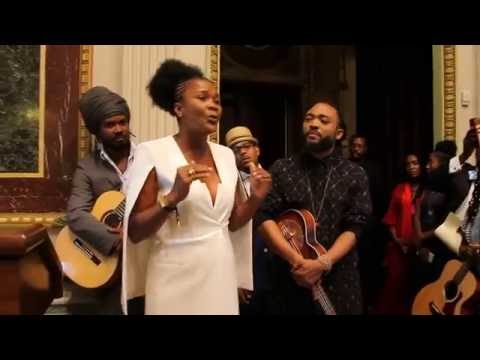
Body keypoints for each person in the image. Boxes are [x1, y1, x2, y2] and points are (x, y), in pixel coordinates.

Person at [122, 59, 272, 315]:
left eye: (217, 100)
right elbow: (135, 231)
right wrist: (172, 198)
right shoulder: (153, 153)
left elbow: (232, 223)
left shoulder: (226, 156)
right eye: (203, 98)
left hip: (220, 273)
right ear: (179, 109)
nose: (214, 105)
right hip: (172, 276)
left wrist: (255, 199)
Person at [256, 100, 372, 315]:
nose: (313, 124)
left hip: (339, 279)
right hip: (290, 277)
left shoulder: (354, 173)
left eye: (323, 120)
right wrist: (297, 261)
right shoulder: (283, 168)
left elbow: (356, 225)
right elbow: (263, 217)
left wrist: (323, 263)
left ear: (338, 134)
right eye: (309, 118)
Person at [66, 86, 136, 314]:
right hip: (109, 267)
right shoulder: (87, 168)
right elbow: (76, 214)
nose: (119, 129)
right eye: (110, 125)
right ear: (96, 129)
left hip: (146, 260)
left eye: (122, 122)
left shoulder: (151, 158)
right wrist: (114, 240)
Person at [225, 126, 274, 315]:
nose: (243, 152)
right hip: (242, 270)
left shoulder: (275, 179)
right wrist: (238, 278)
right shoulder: (226, 186)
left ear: (257, 150)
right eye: (236, 149)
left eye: (247, 146)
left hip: (274, 270)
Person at [375, 153, 423, 314]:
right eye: (408, 164)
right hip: (399, 246)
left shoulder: (429, 189)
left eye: (415, 163)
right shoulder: (399, 188)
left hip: (422, 247)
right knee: (394, 283)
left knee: (416, 286)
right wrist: (397, 240)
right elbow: (391, 217)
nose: (411, 167)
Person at [348, 134, 388, 312]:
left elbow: (380, 198)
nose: (356, 149)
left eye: (360, 146)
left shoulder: (373, 169)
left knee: (368, 268)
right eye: (354, 145)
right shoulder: (344, 167)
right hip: (346, 225)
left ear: (365, 148)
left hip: (369, 228)